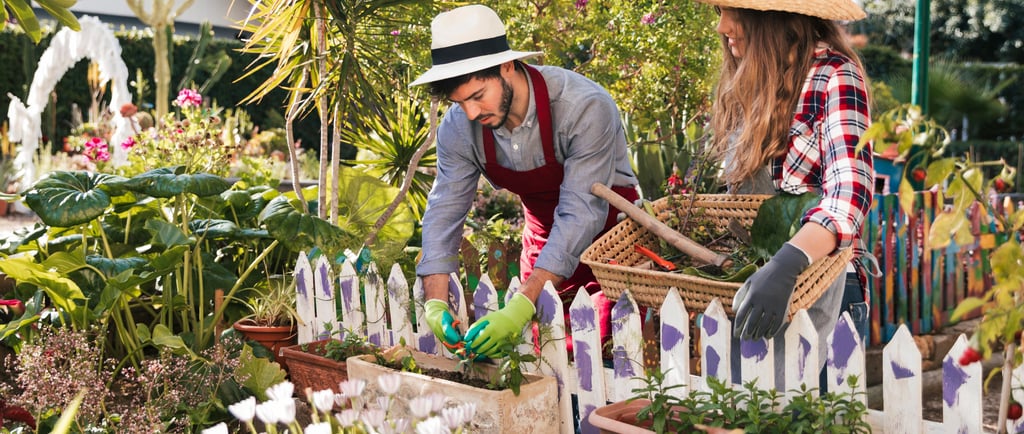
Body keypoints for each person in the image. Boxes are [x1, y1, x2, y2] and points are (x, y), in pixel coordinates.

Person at [410, 5, 639, 358]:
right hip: (544, 237)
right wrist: (436, 303)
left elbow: (581, 212)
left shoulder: (583, 107)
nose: (471, 113)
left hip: (611, 244)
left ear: (506, 65)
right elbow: (444, 212)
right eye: (460, 102)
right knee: (547, 358)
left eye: (476, 96)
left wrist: (521, 303)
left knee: (608, 357)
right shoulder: (458, 128)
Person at [696, 0, 875, 385]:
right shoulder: (748, 82)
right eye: (718, 12)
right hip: (759, 294)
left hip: (820, 292)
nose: (722, 26)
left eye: (733, 12)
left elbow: (850, 192)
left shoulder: (835, 77)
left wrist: (787, 262)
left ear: (774, 17)